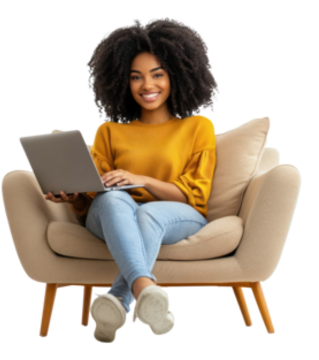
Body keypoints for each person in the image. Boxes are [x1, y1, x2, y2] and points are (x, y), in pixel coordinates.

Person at [48, 16, 222, 344]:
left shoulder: (199, 127)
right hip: (113, 213)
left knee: (147, 213)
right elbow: (94, 192)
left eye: (157, 74)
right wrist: (72, 194)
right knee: (113, 197)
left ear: (178, 75)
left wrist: (140, 180)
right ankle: (144, 289)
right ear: (121, 82)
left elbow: (193, 195)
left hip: (177, 212)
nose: (147, 85)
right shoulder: (108, 131)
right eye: (136, 77)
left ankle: (121, 298)